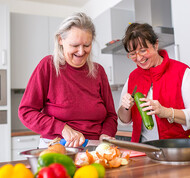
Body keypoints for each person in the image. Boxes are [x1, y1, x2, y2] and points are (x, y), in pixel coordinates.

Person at [18, 12, 118, 148]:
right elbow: (26, 112)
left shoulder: (98, 71)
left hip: (96, 148)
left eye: (87, 45)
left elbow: (111, 115)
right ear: (61, 40)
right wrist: (62, 128)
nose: (81, 52)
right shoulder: (48, 65)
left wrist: (106, 134)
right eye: (75, 45)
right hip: (57, 146)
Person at [118, 23, 190, 143]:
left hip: (178, 150)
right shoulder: (133, 78)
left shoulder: (182, 72)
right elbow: (123, 120)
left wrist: (167, 112)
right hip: (143, 151)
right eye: (133, 54)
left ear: (155, 45)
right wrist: (125, 107)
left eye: (143, 50)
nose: (138, 58)